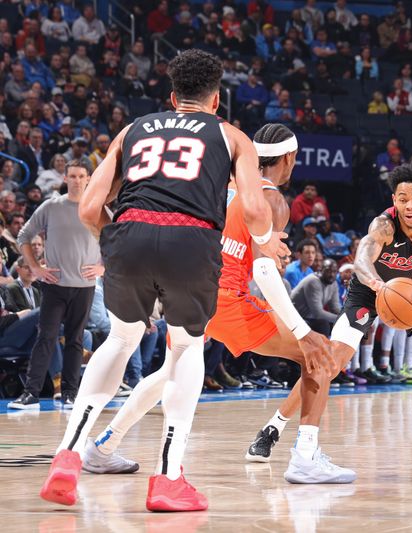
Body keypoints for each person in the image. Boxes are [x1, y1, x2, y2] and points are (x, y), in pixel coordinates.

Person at [40, 50, 286, 512]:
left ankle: (67, 454)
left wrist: (115, 241)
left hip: (129, 231)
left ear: (173, 98)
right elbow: (254, 211)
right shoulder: (233, 136)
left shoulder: (132, 130)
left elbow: (90, 209)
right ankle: (169, 477)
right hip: (191, 241)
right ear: (216, 101)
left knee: (121, 339)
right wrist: (267, 242)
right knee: (186, 348)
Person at [91, 123, 347, 484]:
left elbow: (233, 246)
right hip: (227, 301)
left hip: (187, 290)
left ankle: (102, 445)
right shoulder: (271, 199)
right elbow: (264, 272)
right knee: (321, 357)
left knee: (168, 373)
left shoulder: (224, 185)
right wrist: (303, 331)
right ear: (289, 158)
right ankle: (305, 455)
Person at [248, 164, 412, 467]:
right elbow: (361, 259)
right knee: (328, 363)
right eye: (402, 199)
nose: (409, 204)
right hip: (368, 290)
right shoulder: (384, 225)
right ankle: (273, 428)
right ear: (394, 200)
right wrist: (376, 283)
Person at [9, 160, 102, 411]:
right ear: (65, 178)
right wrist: (36, 268)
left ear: (89, 179)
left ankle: (70, 393)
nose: (76, 180)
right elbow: (23, 236)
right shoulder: (51, 206)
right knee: (45, 338)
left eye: (81, 176)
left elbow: (117, 241)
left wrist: (103, 267)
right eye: (71, 176)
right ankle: (31, 394)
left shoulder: (96, 208)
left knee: (75, 341)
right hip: (55, 284)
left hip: (84, 286)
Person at [291, 258, 341, 335]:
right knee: (323, 325)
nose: (332, 274)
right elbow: (318, 313)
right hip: (296, 317)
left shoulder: (333, 283)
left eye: (334, 272)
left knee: (330, 325)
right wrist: (339, 319)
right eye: (328, 271)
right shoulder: (313, 281)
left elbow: (335, 307)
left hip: (310, 318)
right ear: (320, 270)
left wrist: (346, 317)